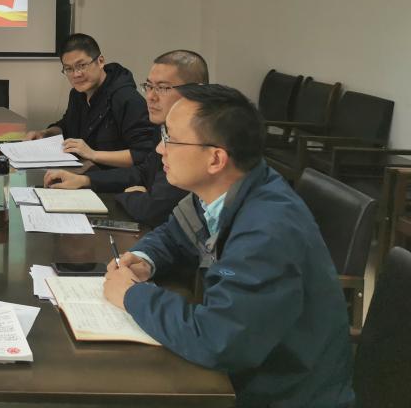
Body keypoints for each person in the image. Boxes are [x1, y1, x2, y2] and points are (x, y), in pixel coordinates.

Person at [103, 84, 354, 407]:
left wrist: (132, 295)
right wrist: (145, 258)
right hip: (249, 373)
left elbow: (217, 340)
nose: (159, 149)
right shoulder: (228, 189)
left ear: (215, 159)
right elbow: (175, 234)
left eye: (171, 139)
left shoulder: (267, 231)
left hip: (281, 392)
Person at [43, 50, 206, 226]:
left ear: (196, 91)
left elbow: (153, 208)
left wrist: (133, 194)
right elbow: (142, 172)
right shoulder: (163, 127)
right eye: (149, 86)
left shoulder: (198, 138)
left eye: (163, 88)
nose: (150, 97)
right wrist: (85, 180)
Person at [26, 33, 157, 169]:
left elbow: (144, 154)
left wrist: (93, 154)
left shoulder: (127, 98)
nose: (76, 74)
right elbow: (67, 125)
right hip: (84, 171)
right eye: (69, 69)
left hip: (116, 178)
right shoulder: (77, 94)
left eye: (82, 65)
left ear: (100, 61)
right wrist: (45, 134)